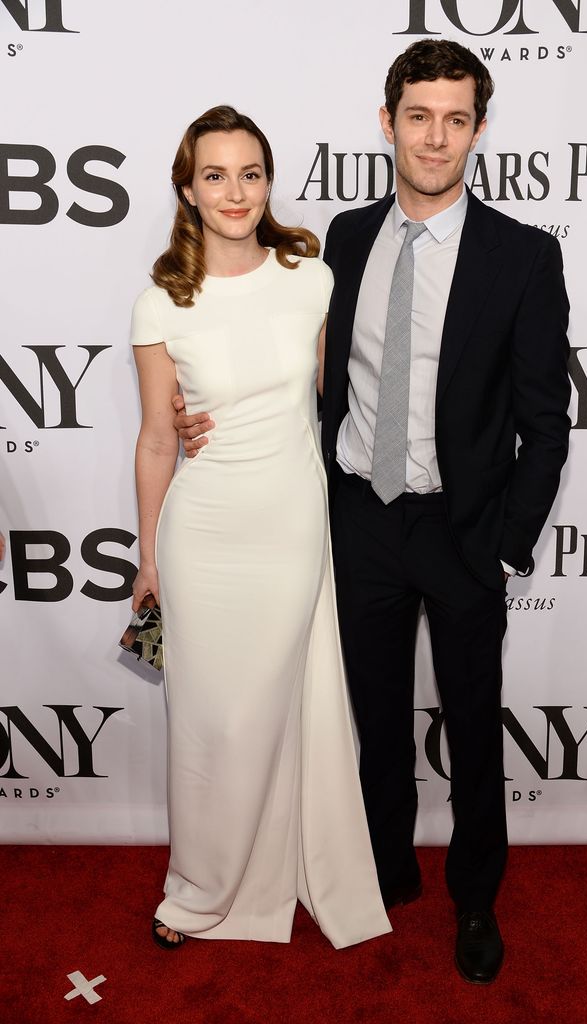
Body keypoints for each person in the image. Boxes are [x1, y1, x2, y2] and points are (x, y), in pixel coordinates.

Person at [176, 39, 571, 985]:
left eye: (456, 118)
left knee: (474, 721)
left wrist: (506, 547)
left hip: (464, 531)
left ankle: (474, 894)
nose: (436, 137)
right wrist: (201, 418)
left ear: (478, 129)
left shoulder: (523, 255)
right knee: (373, 716)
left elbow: (545, 423)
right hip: (357, 517)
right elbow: (272, 352)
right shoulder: (338, 241)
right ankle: (382, 867)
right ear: (386, 121)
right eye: (419, 115)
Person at [130, 105, 390, 952]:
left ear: (267, 182)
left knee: (270, 708)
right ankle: (200, 886)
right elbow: (158, 435)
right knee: (209, 717)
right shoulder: (161, 301)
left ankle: (284, 867)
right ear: (187, 189)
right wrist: (147, 556)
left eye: (250, 173)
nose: (235, 191)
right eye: (215, 175)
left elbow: (334, 397)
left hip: (289, 523)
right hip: (201, 531)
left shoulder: (308, 275)